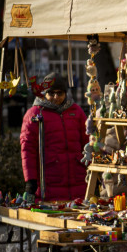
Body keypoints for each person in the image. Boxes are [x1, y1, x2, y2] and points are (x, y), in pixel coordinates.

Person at [20, 72, 89, 201]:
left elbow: (88, 143)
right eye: (51, 93)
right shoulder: (34, 114)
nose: (56, 97)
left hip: (78, 181)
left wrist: (94, 173)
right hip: (49, 183)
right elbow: (28, 150)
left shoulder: (76, 111)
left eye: (60, 93)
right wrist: (30, 182)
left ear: (65, 93)